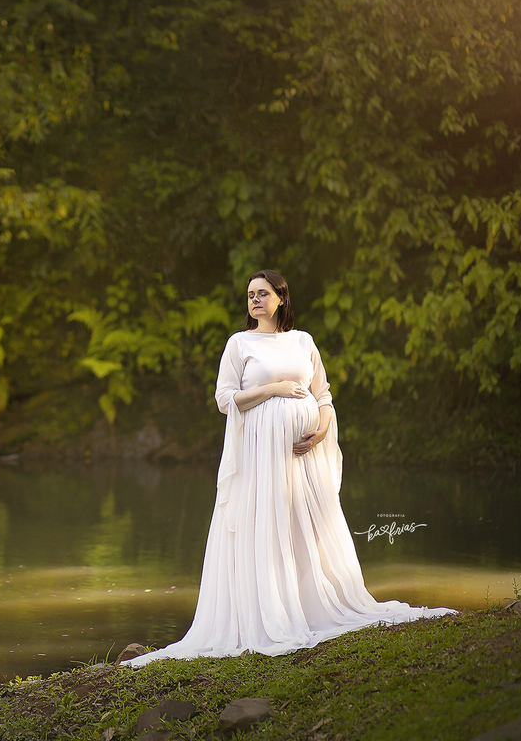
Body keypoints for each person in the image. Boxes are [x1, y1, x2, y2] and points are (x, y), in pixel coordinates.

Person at [127, 270, 456, 667]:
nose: (255, 300)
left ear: (280, 298)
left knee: (307, 528)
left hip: (304, 459)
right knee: (266, 525)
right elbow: (224, 399)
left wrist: (319, 433)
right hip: (260, 461)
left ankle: (310, 604)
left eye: (262, 293)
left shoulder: (304, 342)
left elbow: (324, 394)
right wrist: (273, 389)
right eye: (250, 294)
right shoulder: (239, 344)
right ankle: (270, 612)